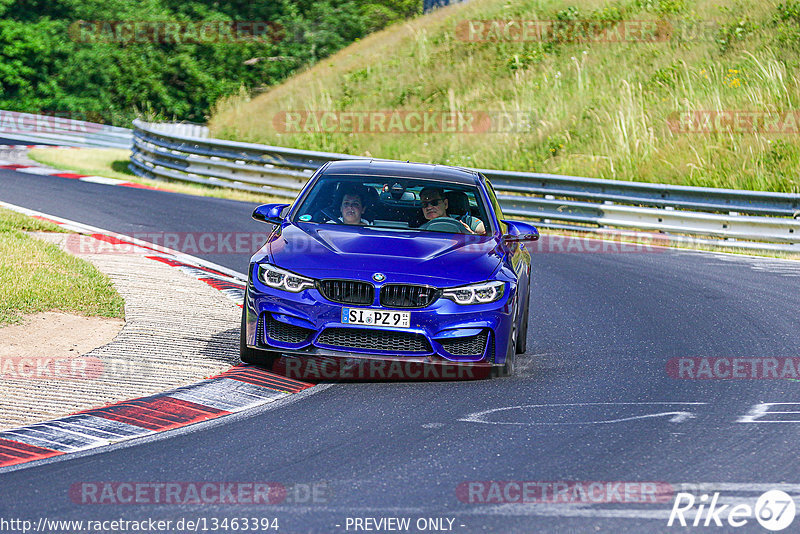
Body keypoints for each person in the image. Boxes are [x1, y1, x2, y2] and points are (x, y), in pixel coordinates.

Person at [419, 187, 484, 234]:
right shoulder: (417, 230)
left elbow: (487, 234)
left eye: (434, 203)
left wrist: (471, 234)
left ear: (445, 204)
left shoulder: (467, 221)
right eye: (425, 204)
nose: (429, 207)